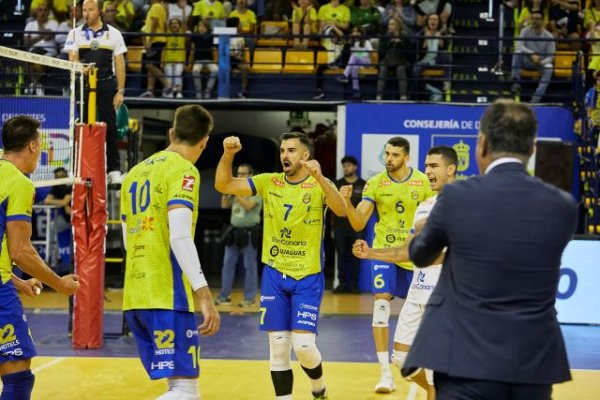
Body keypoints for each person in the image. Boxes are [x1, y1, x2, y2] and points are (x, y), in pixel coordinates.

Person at [402, 99, 578, 400]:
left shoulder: (456, 197)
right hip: (532, 362)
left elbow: (420, 255)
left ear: (482, 145)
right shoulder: (562, 206)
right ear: (532, 148)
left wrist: (420, 229)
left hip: (465, 359)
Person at [215, 132, 346, 400]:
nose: (285, 155)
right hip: (275, 272)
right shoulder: (268, 182)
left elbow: (342, 211)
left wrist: (320, 178)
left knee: (304, 346)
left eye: (292, 150)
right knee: (278, 347)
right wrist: (228, 155)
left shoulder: (319, 183)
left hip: (307, 276)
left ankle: (318, 388)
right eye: (283, 150)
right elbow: (223, 184)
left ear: (306, 156)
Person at [120, 104, 220, 400]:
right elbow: (179, 236)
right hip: (167, 294)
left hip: (135, 295)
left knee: (177, 386)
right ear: (204, 141)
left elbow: (127, 239)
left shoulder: (134, 173)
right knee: (186, 390)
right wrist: (204, 294)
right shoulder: (184, 171)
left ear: (171, 133)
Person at [353, 145, 458, 400]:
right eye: (426, 166)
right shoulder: (425, 206)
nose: (427, 171)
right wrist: (371, 253)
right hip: (416, 293)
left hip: (443, 298)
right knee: (402, 360)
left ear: (451, 169)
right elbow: (407, 250)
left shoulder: (462, 204)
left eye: (434, 166)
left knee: (434, 372)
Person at [340, 136, 433, 394]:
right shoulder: (375, 183)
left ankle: (421, 363)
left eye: (394, 155)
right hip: (383, 252)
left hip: (413, 255)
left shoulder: (423, 182)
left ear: (407, 157)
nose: (389, 159)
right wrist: (347, 202)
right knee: (381, 302)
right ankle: (384, 374)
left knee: (419, 312)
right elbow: (359, 223)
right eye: (387, 154)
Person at [0, 115, 80, 400]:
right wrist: (59, 284)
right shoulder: (18, 183)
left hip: (4, 282)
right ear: (33, 146)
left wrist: (17, 283)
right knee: (18, 376)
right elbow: (21, 251)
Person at [63, 0, 127, 184]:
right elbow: (72, 59)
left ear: (99, 11)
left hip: (106, 85)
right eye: (84, 10)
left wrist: (120, 91)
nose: (86, 13)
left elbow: (120, 64)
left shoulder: (113, 34)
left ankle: (114, 170)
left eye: (90, 10)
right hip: (83, 86)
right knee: (81, 126)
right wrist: (78, 67)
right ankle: (77, 170)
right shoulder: (75, 33)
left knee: (110, 127)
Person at [215, 163, 262, 307]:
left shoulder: (257, 191)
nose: (239, 176)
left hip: (249, 231)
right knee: (227, 265)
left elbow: (249, 206)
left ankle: (250, 297)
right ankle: (224, 295)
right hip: (234, 231)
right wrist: (225, 192)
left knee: (250, 266)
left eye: (243, 174)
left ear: (251, 176)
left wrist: (236, 194)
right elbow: (224, 205)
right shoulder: (235, 189)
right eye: (238, 173)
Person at [332, 155, 366, 294]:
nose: (346, 168)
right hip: (340, 227)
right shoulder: (337, 184)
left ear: (355, 167)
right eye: (344, 166)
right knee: (341, 255)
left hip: (357, 227)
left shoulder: (363, 184)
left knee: (356, 255)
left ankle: (353, 285)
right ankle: (341, 284)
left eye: (349, 166)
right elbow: (332, 204)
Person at [510, 9, 555, 103]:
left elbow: (551, 56)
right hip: (527, 59)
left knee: (549, 69)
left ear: (543, 21)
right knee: (517, 52)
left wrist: (540, 61)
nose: (534, 20)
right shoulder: (525, 31)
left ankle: (535, 99)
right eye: (533, 18)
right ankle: (516, 82)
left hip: (540, 62)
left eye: (537, 18)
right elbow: (520, 45)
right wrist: (531, 54)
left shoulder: (549, 36)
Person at [43, 167, 73, 268]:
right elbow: (47, 201)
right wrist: (62, 204)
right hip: (66, 217)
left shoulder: (71, 186)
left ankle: (73, 259)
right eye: (58, 175)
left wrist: (63, 203)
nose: (60, 177)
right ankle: (51, 257)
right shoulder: (56, 186)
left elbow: (65, 202)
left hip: (78, 216)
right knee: (51, 226)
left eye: (62, 175)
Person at [189, 20, 219, 99]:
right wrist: (190, 63)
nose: (201, 28)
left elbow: (214, 49)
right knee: (195, 70)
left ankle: (207, 91)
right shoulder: (194, 36)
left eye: (203, 26)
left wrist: (215, 60)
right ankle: (198, 91)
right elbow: (192, 50)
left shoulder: (211, 36)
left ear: (207, 28)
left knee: (215, 70)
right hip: (198, 60)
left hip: (209, 60)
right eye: (200, 26)